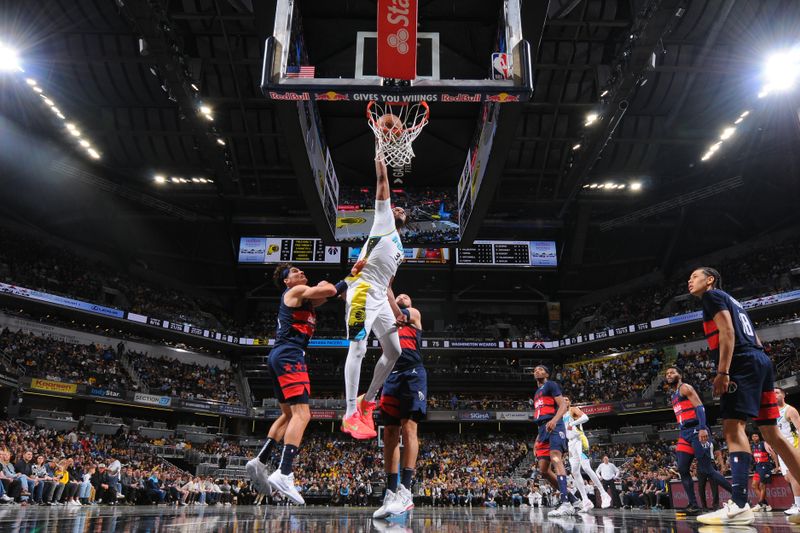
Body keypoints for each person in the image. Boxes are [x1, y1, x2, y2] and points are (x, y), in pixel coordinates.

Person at [688, 267, 800, 525]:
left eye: (695, 276)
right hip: (760, 360)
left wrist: (723, 371)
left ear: (710, 280)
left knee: (733, 428)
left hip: (740, 362)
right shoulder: (734, 301)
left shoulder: (712, 297)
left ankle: (739, 504)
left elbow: (727, 332)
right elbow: (756, 338)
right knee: (772, 433)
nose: (690, 281)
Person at [246, 263, 343, 505]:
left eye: (301, 271)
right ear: (287, 282)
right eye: (295, 273)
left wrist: (335, 285)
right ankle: (285, 472)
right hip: (290, 354)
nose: (300, 273)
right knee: (303, 414)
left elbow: (328, 294)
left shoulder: (305, 299)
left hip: (280, 355)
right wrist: (349, 278)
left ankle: (260, 460)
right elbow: (331, 291)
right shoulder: (295, 292)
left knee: (289, 414)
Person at [341, 155, 408, 440]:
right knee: (358, 348)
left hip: (380, 296)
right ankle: (349, 412)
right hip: (361, 291)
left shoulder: (400, 250)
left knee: (395, 351)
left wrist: (397, 313)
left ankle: (368, 401)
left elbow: (390, 286)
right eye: (397, 206)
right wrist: (379, 149)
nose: (400, 208)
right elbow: (382, 180)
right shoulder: (383, 222)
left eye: (404, 210)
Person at [373, 292, 426, 519]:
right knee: (390, 433)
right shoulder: (387, 315)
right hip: (391, 374)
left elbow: (394, 306)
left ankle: (405, 491)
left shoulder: (413, 314)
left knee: (409, 428)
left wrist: (387, 285)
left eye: (406, 295)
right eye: (400, 294)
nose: (404, 296)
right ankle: (390, 492)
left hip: (412, 372)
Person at [664, 366, 732, 514]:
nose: (669, 375)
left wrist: (702, 428)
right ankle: (694, 505)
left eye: (672, 372)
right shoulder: (673, 395)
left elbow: (700, 407)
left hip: (697, 430)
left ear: (679, 375)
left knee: (707, 469)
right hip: (685, 433)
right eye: (667, 374)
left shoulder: (685, 387)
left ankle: (739, 496)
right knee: (682, 468)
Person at [531, 365, 573, 517]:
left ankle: (566, 503)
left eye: (541, 369)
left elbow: (562, 405)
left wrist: (555, 420)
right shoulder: (536, 393)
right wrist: (537, 439)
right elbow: (540, 418)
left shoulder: (551, 385)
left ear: (547, 373)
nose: (537, 371)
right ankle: (574, 500)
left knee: (556, 457)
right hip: (543, 430)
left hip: (555, 425)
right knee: (543, 470)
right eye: (535, 370)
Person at [562, 398, 612, 511]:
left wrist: (573, 423)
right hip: (571, 444)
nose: (565, 401)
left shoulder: (573, 409)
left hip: (580, 440)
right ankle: (585, 500)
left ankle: (604, 494)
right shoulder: (561, 415)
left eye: (567, 399)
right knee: (574, 471)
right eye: (563, 400)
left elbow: (585, 417)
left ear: (569, 402)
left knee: (586, 467)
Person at [774, 387, 800, 515]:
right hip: (781, 448)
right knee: (788, 477)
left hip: (792, 445)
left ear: (783, 395)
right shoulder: (773, 412)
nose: (774, 394)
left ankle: (799, 505)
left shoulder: (790, 410)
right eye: (772, 393)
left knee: (794, 475)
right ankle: (797, 502)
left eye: (777, 392)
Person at [750, 432, 774, 512]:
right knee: (754, 485)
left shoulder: (764, 444)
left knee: (762, 485)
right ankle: (765, 504)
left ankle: (760, 504)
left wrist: (777, 466)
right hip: (757, 467)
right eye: (753, 436)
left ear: (759, 437)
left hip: (765, 466)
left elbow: (773, 454)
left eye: (756, 436)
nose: (754, 437)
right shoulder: (752, 446)